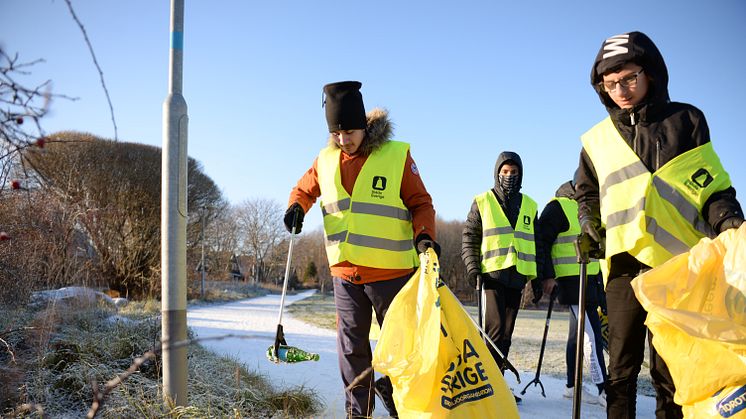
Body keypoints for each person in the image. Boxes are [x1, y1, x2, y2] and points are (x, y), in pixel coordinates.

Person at [575, 31, 744, 418]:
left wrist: (730, 223)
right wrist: (589, 223)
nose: (621, 89)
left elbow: (712, 187)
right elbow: (586, 193)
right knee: (620, 369)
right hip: (623, 266)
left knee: (671, 369)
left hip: (679, 267)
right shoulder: (595, 141)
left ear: (650, 72)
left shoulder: (686, 121)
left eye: (630, 77)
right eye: (611, 82)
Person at [284, 81, 438, 419]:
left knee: (400, 348)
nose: (343, 139)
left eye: (350, 131)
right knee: (352, 349)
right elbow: (303, 190)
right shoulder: (325, 160)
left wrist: (424, 236)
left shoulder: (396, 155)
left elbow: (421, 203)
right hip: (346, 273)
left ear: (364, 126)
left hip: (392, 273)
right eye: (336, 133)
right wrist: (296, 206)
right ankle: (359, 413)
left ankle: (404, 405)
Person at [461, 151, 542, 404]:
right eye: (505, 172)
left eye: (514, 172)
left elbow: (536, 243)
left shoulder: (529, 204)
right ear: (497, 173)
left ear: (520, 174)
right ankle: (485, 385)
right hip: (491, 277)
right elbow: (470, 237)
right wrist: (473, 268)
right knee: (493, 333)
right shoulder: (483, 201)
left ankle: (496, 383)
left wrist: (538, 279)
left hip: (517, 278)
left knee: (506, 335)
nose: (509, 176)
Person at [536, 179, 608, 407]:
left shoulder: (593, 208)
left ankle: (571, 386)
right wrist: (546, 276)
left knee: (577, 337)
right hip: (570, 283)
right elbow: (542, 242)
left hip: (591, 282)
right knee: (591, 336)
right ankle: (604, 390)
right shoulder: (558, 206)